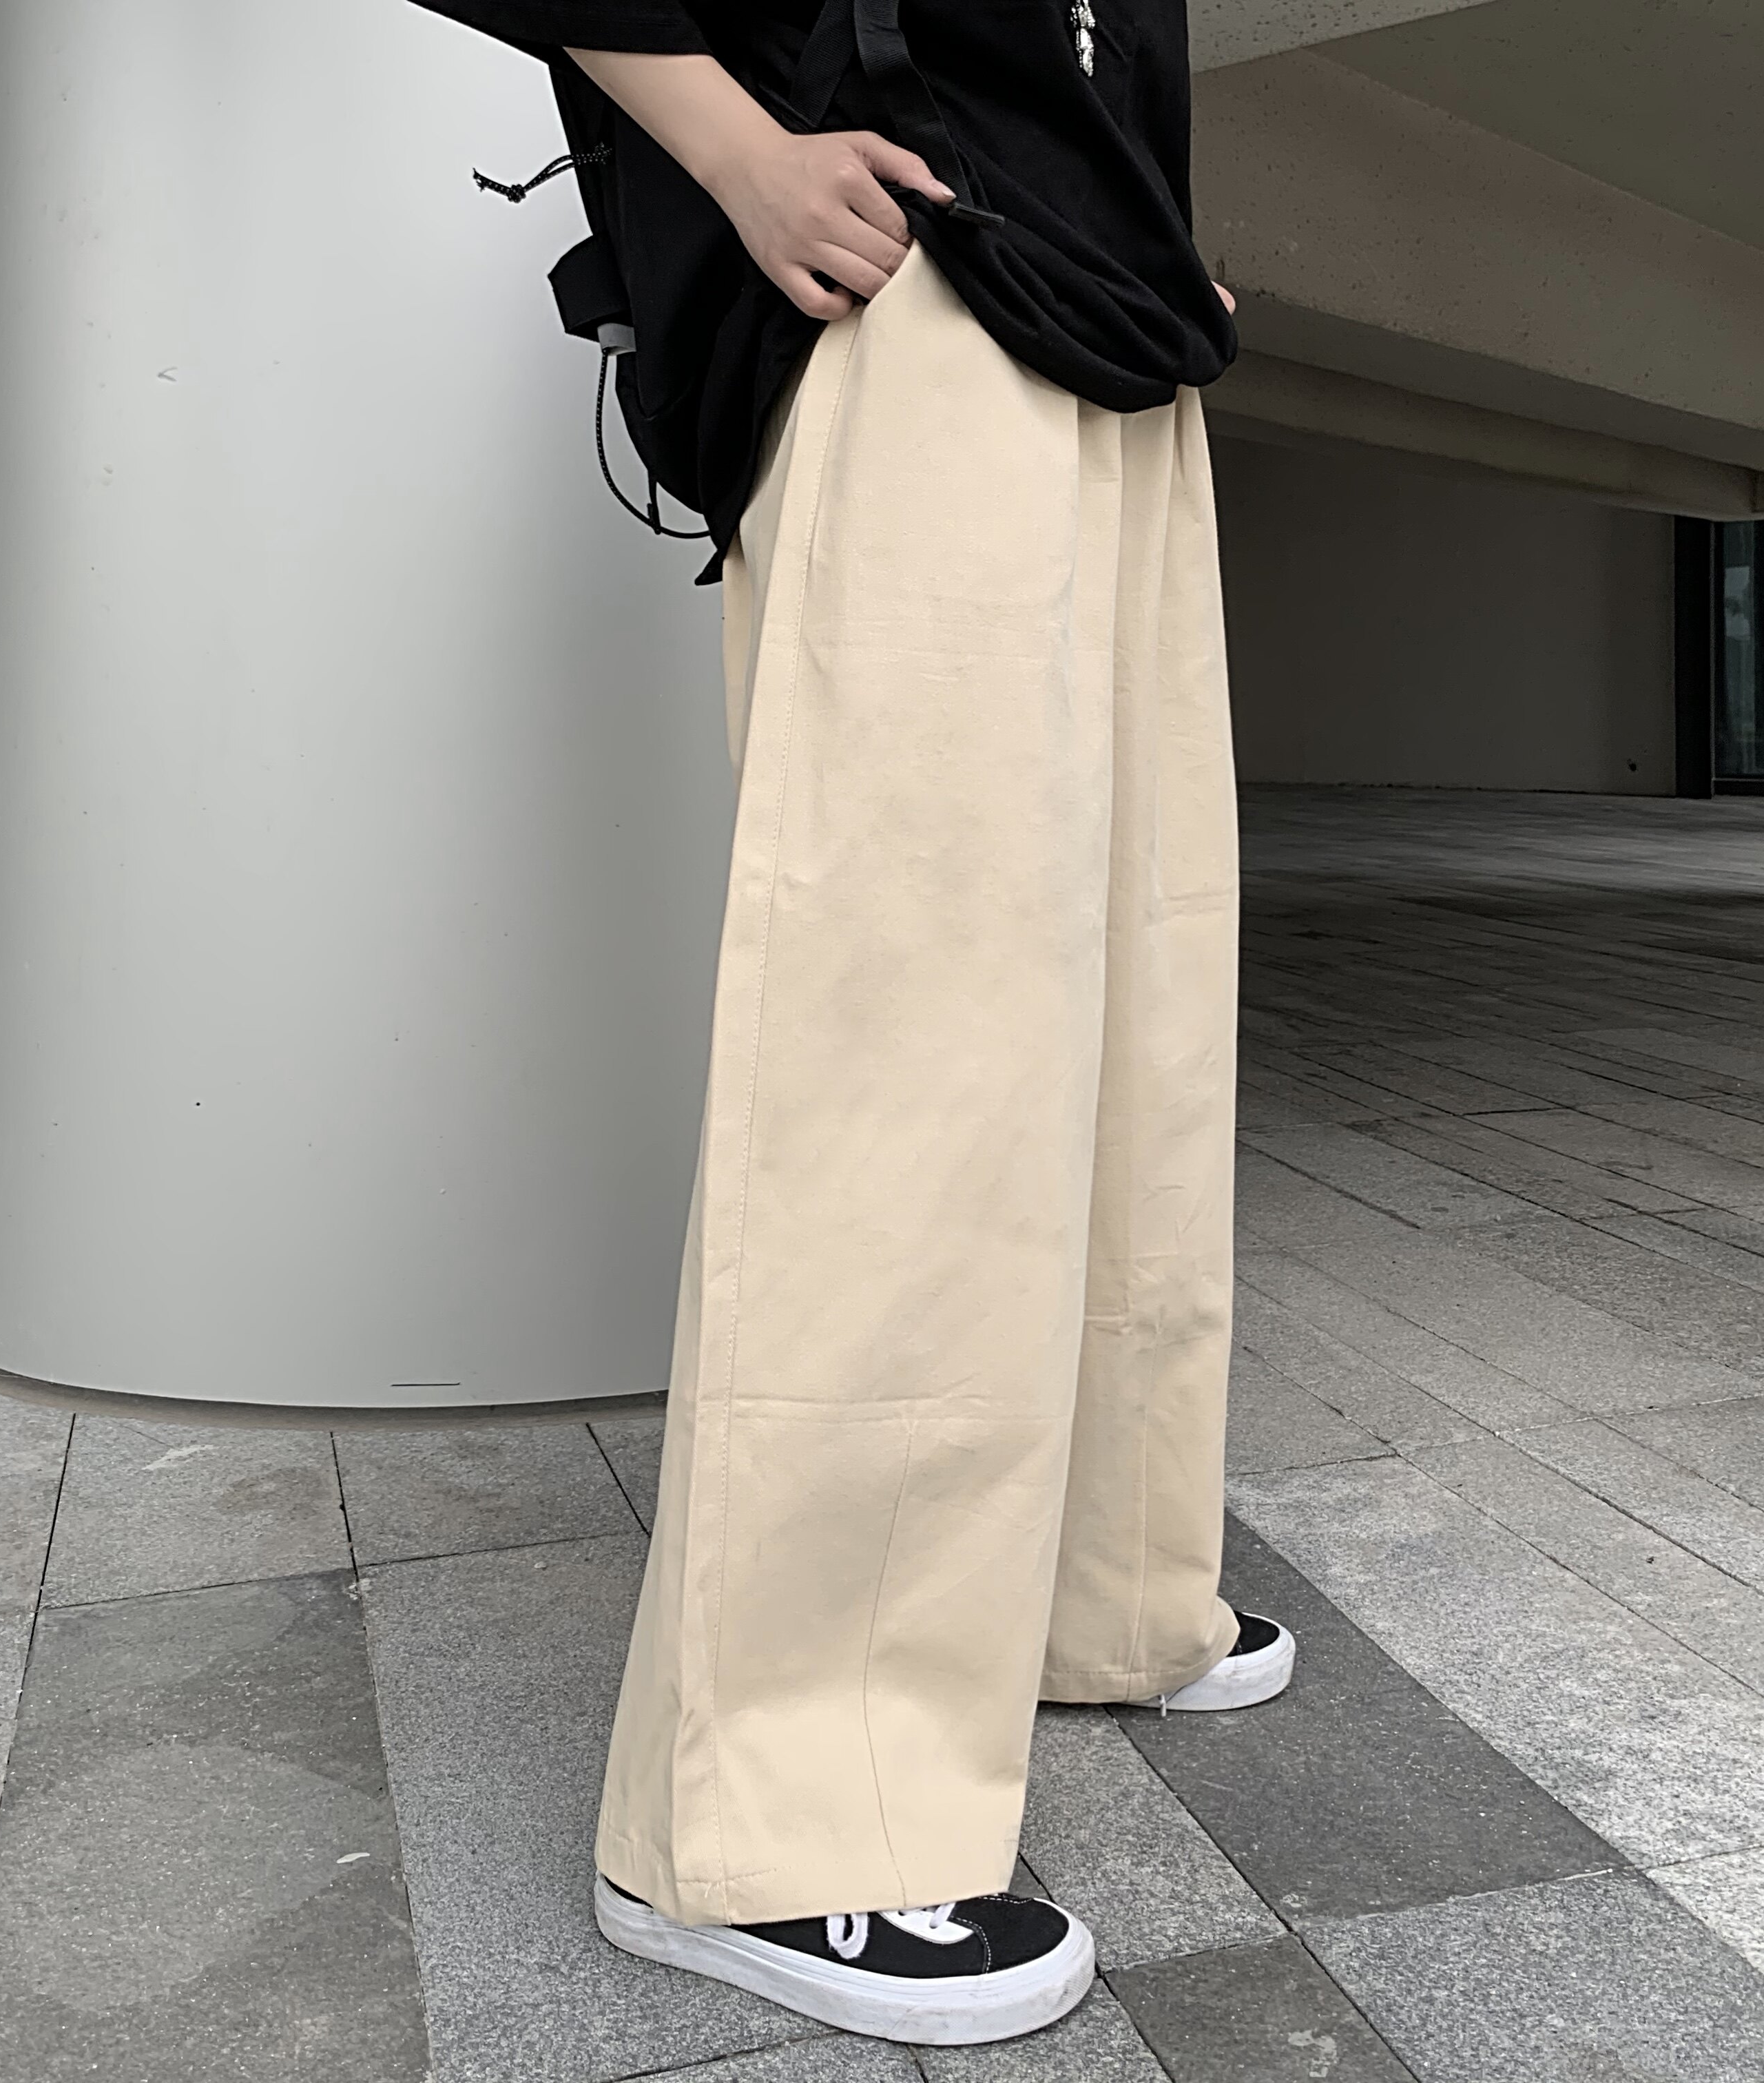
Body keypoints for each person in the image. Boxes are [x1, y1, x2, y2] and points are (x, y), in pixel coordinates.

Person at [413, 0, 1294, 2046]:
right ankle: (772, 1823)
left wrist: (1143, 227)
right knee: (918, 1040)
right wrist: (739, 155)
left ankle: (1096, 1587)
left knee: (1133, 1006)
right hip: (913, 290)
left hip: (1108, 326)